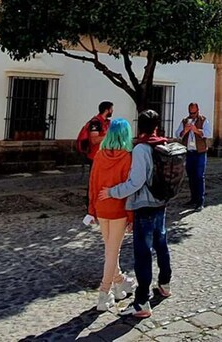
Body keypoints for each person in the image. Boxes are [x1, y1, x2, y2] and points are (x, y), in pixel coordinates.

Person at [99, 110, 172, 319]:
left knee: (143, 254)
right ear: (157, 126)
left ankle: (141, 302)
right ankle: (165, 284)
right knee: (161, 243)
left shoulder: (141, 149)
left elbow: (136, 182)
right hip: (161, 203)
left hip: (145, 205)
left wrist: (113, 192)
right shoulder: (162, 144)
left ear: (139, 126)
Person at [86, 118, 136, 312]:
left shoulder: (99, 156)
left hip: (101, 207)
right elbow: (128, 190)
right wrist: (131, 217)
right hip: (118, 210)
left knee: (110, 249)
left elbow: (93, 183)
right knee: (112, 251)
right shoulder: (127, 157)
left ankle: (120, 282)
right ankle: (104, 292)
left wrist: (91, 209)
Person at [180, 103, 212, 212]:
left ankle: (200, 201)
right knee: (191, 176)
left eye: (194, 113)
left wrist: (197, 130)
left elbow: (208, 133)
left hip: (200, 152)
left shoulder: (204, 120)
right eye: (190, 113)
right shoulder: (185, 121)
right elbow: (177, 134)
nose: (192, 115)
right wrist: (185, 130)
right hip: (189, 152)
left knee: (199, 176)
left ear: (198, 110)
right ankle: (193, 199)